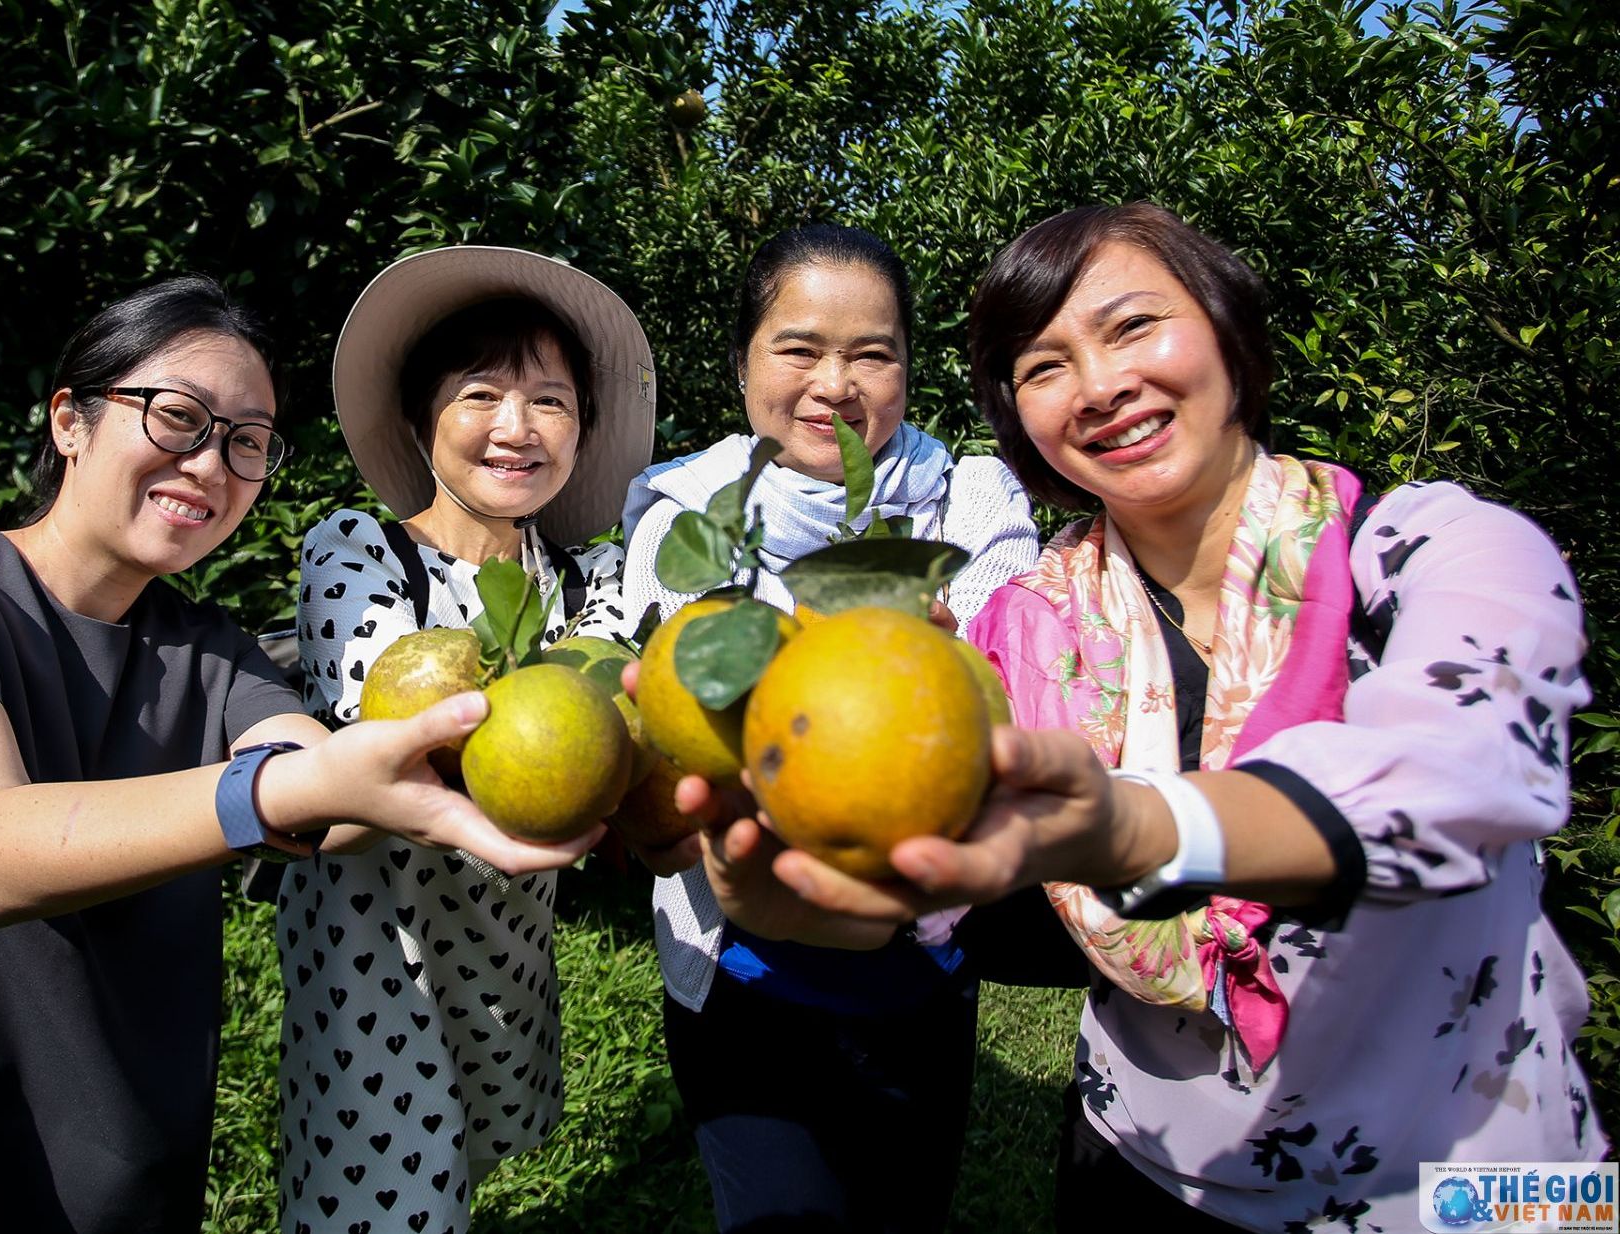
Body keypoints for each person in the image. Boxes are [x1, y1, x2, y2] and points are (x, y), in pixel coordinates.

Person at [724, 203, 1606, 1231]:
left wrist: (1140, 827)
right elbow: (945, 867)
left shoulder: (1435, 552)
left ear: (1228, 327)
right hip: (1146, 1166)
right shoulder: (1024, 631)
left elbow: (1465, 772)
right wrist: (808, 909)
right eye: (1044, 365)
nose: (1100, 385)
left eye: (1134, 325)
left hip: (1477, 1174)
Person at [0, 275, 591, 1234]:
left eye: (247, 442)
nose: (210, 464)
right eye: (177, 418)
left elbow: (319, 788)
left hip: (99, 1171)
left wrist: (397, 781)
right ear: (69, 422)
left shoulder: (207, 655)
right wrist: (295, 789)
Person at [619, 222, 1051, 1233]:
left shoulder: (966, 496)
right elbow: (681, 733)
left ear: (907, 367)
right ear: (742, 366)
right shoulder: (686, 519)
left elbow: (993, 694)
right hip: (742, 969)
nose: (835, 383)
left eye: (872, 352)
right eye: (800, 348)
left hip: (920, 962)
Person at [278, 247, 654, 1234]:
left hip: (503, 952)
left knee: (459, 1173)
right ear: (420, 420)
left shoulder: (589, 578)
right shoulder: (358, 553)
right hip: (376, 951)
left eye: (552, 401)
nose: (517, 428)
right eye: (481, 394)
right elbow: (396, 732)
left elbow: (616, 720)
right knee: (382, 1198)